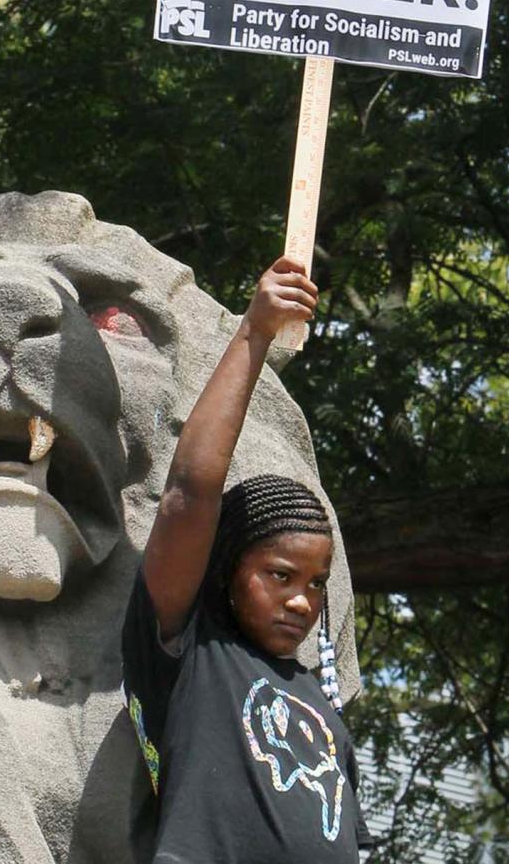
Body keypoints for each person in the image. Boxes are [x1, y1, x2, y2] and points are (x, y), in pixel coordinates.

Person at [122, 256, 373, 863]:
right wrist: (255, 333)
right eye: (280, 576)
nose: (301, 602)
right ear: (227, 570)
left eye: (317, 585)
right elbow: (190, 490)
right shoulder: (189, 655)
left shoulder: (321, 702)